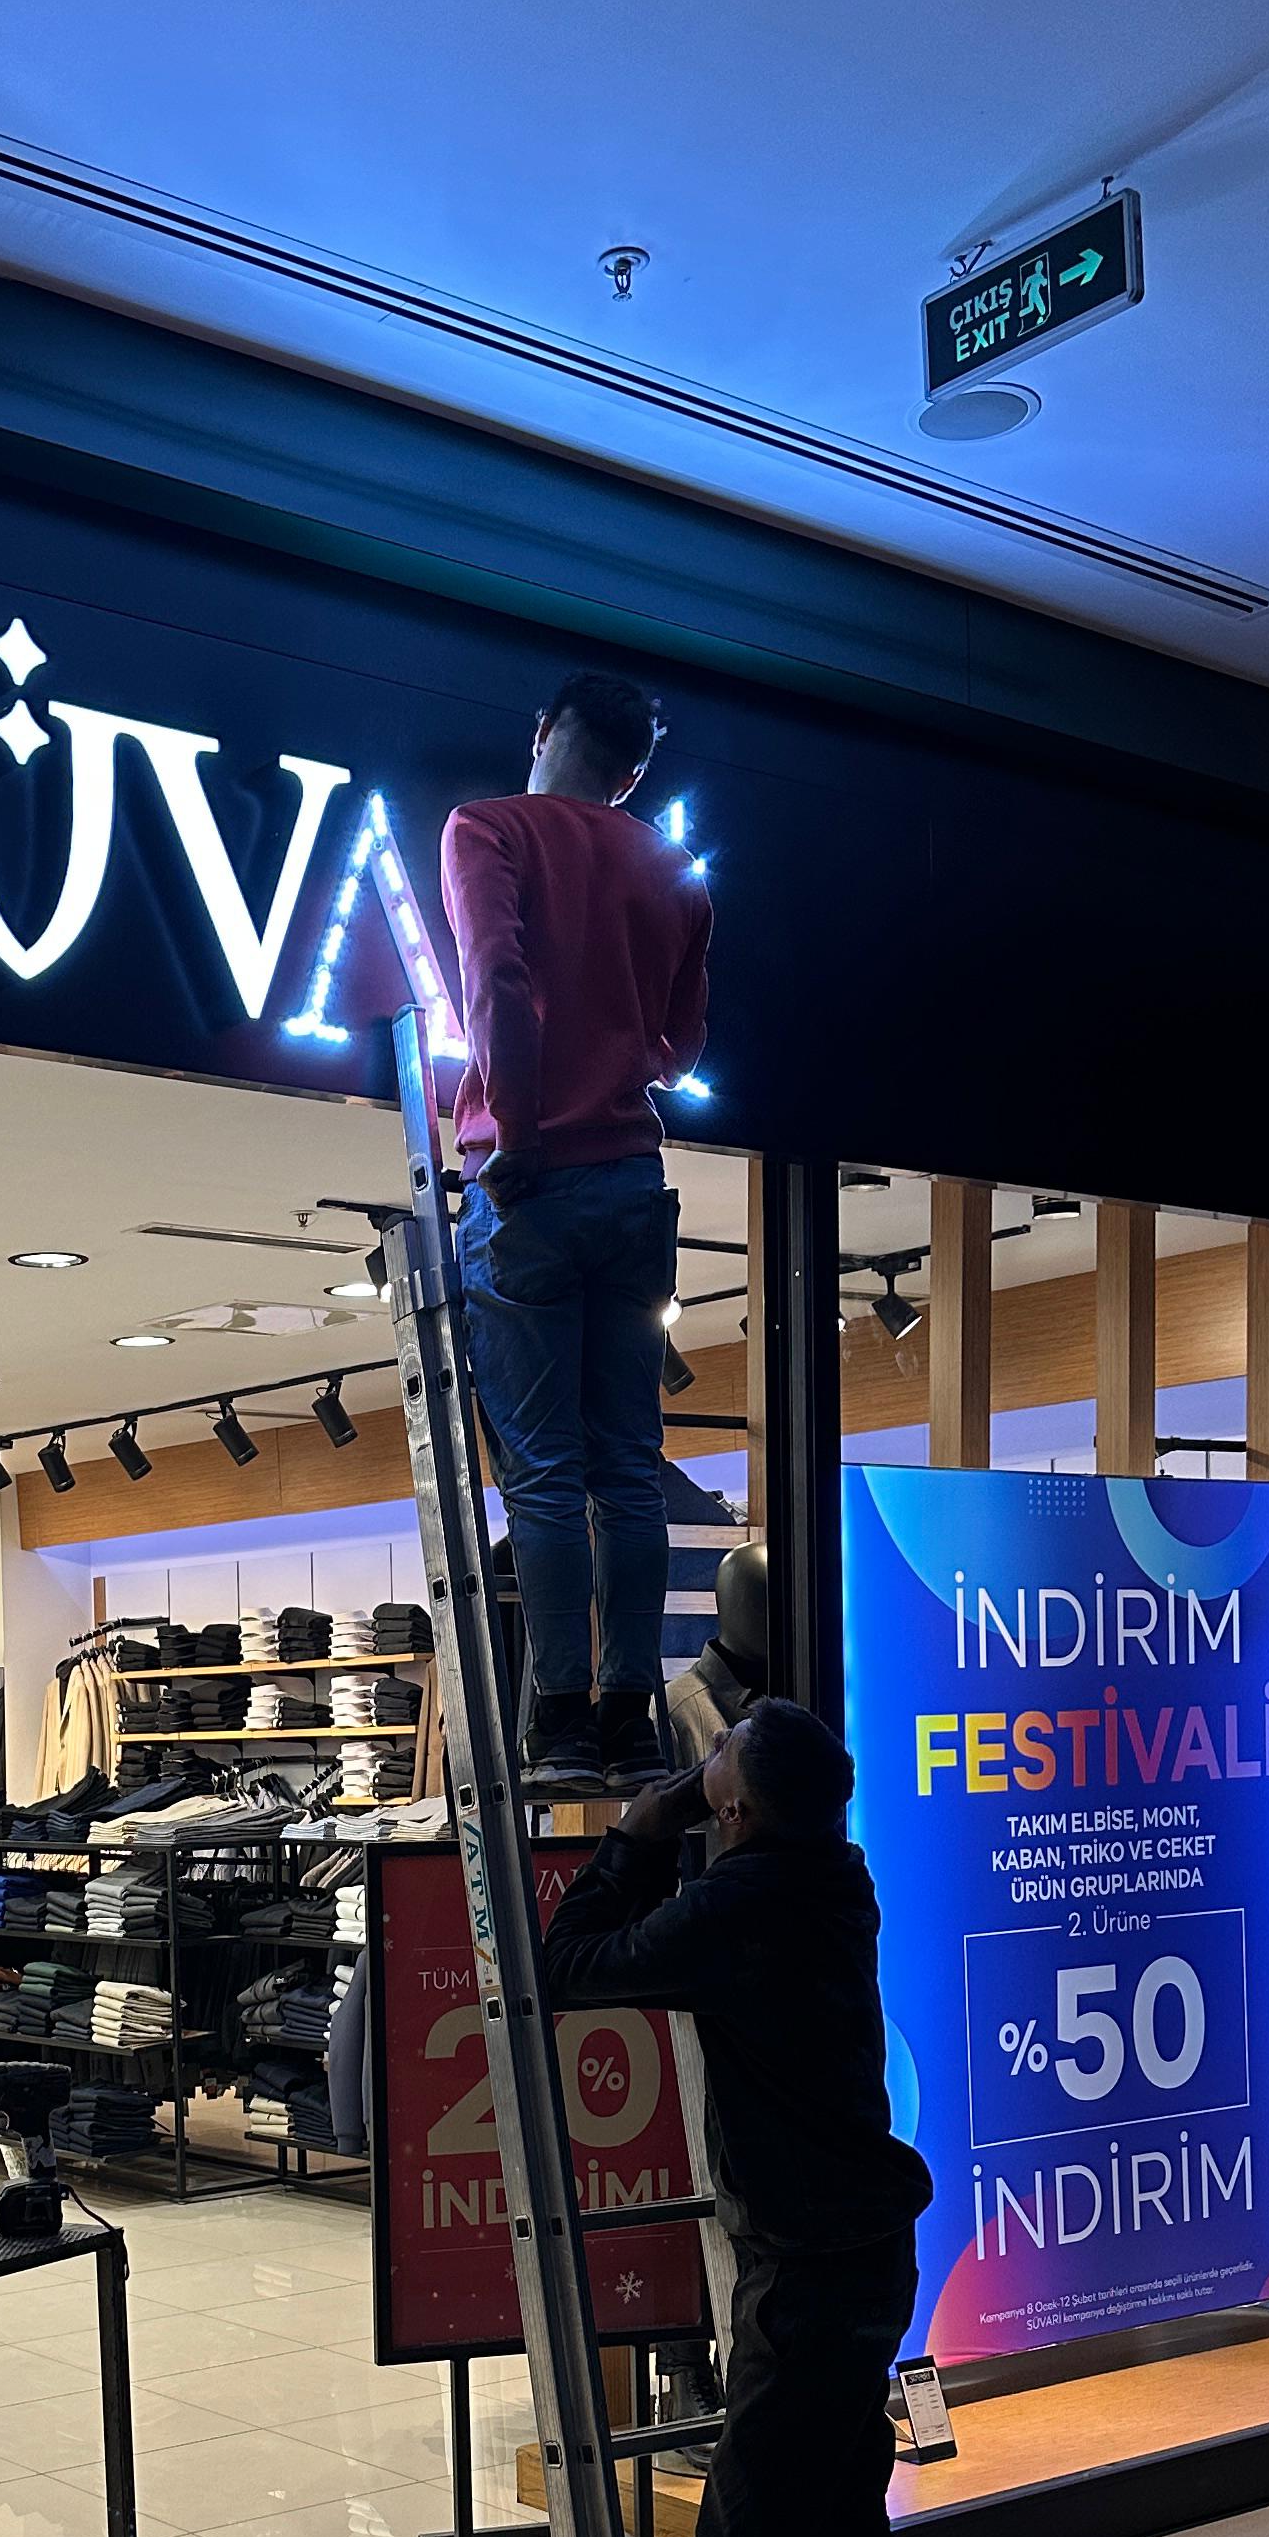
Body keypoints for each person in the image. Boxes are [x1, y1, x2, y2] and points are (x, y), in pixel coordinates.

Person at [528, 1697, 935, 2537]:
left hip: (804, 2271)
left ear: (739, 1809)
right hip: (866, 2249)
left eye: (718, 1756)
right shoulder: (834, 1881)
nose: (699, 1757)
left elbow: (567, 1966)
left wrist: (633, 1836)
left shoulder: (738, 1904)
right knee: (844, 2529)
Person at [442, 670, 712, 1795]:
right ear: (633, 771)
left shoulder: (486, 830)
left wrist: (513, 1125)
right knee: (629, 1470)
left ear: (544, 728)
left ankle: (558, 1726)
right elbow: (683, 1051)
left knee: (545, 1472)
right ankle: (630, 1721)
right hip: (634, 1179)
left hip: (532, 1178)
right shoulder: (673, 867)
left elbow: (496, 980)